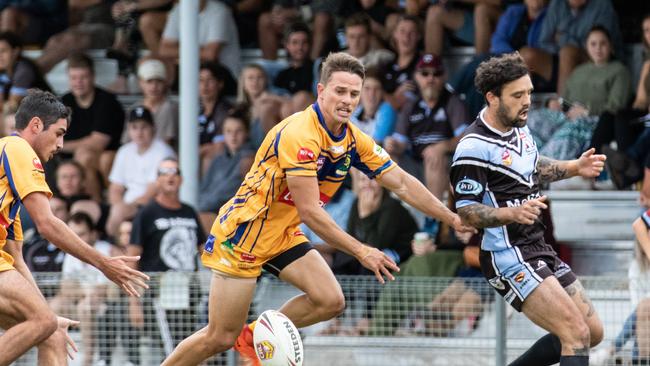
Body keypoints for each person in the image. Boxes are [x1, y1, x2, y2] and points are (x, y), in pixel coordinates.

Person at [160, 52, 475, 366]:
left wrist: (450, 217)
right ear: (321, 91)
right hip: (245, 233)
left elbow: (403, 183)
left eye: (354, 93)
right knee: (220, 337)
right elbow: (310, 211)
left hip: (282, 233)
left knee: (330, 300)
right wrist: (361, 250)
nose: (348, 100)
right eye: (340, 91)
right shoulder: (301, 134)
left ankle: (258, 338)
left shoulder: (353, 140)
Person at [450, 52, 606, 366]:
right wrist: (510, 214)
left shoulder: (519, 129)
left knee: (593, 330)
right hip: (507, 255)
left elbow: (533, 167)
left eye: (530, 93)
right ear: (492, 97)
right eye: (518, 95)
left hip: (536, 246)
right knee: (575, 335)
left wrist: (575, 167)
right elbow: (466, 211)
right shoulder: (472, 146)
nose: (527, 102)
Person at [0, 90, 148, 365]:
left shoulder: (9, 200)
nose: (60, 144)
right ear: (35, 125)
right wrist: (104, 264)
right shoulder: (19, 148)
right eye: (58, 133)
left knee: (51, 331)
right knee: (44, 321)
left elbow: (17, 259)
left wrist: (48, 316)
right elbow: (47, 224)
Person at [127, 158, 205, 356]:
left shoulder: (189, 212)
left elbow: (204, 249)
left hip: (189, 290)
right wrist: (134, 303)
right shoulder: (146, 213)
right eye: (164, 172)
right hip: (158, 293)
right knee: (169, 349)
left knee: (191, 346)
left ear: (181, 179)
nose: (170, 175)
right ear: (157, 180)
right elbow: (132, 257)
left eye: (175, 172)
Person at [49, 212, 114, 366]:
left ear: (93, 233)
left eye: (82, 234)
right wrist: (87, 291)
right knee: (54, 306)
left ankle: (88, 359)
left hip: (105, 306)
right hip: (82, 302)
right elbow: (65, 288)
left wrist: (85, 292)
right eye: (73, 234)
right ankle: (57, 359)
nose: (77, 239)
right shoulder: (71, 253)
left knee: (86, 306)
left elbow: (109, 289)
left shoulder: (107, 250)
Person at [106, 105, 176, 237]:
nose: (139, 132)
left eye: (144, 127)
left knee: (119, 211)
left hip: (151, 205)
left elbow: (151, 193)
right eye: (134, 127)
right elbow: (115, 188)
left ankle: (115, 247)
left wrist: (122, 208)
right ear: (129, 130)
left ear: (153, 128)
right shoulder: (124, 151)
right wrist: (117, 206)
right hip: (126, 205)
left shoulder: (163, 152)